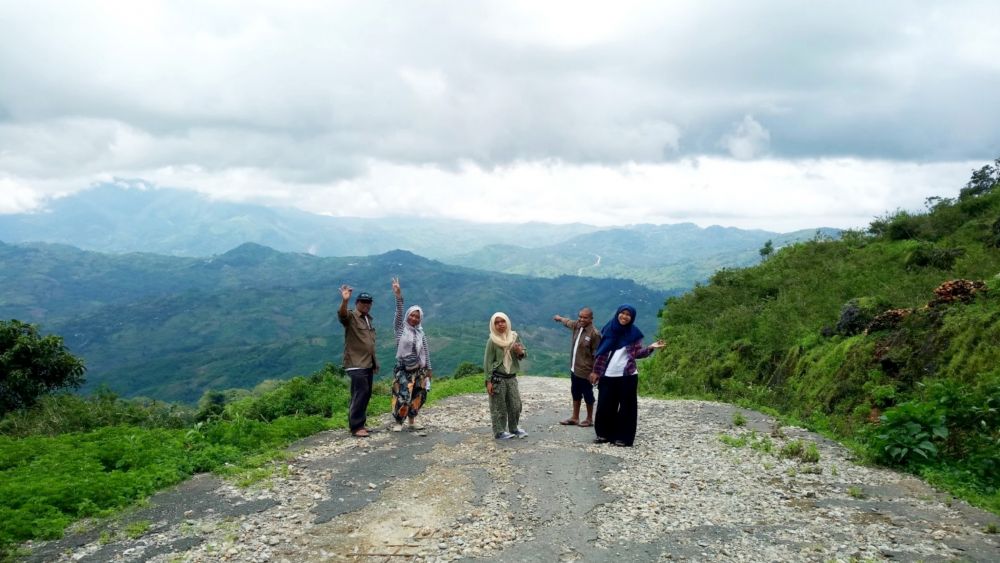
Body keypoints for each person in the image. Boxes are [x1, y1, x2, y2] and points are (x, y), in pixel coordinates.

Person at [589, 304, 665, 447]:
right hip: (607, 375)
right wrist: (595, 372)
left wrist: (650, 348)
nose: (624, 316)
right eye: (622, 313)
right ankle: (604, 435)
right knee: (605, 406)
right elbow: (601, 353)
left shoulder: (634, 333)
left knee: (627, 408)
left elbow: (637, 353)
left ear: (632, 318)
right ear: (618, 313)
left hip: (627, 376)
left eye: (628, 315)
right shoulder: (608, 329)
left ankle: (623, 438)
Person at [390, 277, 433, 432]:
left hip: (419, 370)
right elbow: (399, 313)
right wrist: (398, 296)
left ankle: (412, 420)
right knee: (402, 395)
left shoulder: (421, 332)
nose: (414, 318)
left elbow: (426, 351)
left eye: (417, 316)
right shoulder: (400, 329)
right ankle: (398, 422)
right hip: (404, 369)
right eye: (412, 315)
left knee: (418, 395)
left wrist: (429, 369)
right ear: (408, 315)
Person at [338, 284, 379, 438]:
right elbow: (342, 315)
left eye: (368, 302)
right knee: (360, 393)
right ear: (357, 303)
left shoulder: (368, 320)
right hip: (356, 364)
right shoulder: (352, 317)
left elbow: (369, 344)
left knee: (366, 393)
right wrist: (344, 301)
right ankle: (356, 427)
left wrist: (375, 363)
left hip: (367, 363)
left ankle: (360, 423)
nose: (366, 305)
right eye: (362, 302)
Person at [552, 308, 601, 428]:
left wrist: (595, 372)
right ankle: (575, 417)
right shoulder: (577, 326)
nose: (582, 319)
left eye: (585, 317)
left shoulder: (594, 334)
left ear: (591, 319)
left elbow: (598, 355)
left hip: (586, 372)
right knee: (575, 392)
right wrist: (559, 318)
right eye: (580, 316)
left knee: (588, 394)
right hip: (575, 368)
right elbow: (568, 322)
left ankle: (589, 419)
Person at [484, 312, 528, 440]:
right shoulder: (492, 341)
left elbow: (524, 353)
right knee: (499, 406)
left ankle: (514, 428)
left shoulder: (514, 337)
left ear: (507, 322)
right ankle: (499, 431)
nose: (500, 324)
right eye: (496, 323)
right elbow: (487, 362)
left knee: (515, 404)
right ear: (493, 325)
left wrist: (520, 352)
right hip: (498, 378)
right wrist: (488, 381)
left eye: (502, 321)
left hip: (511, 377)